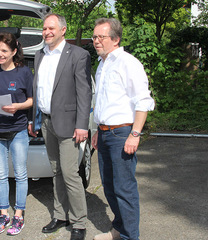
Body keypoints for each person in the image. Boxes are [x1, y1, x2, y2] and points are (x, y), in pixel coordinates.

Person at [28, 13, 92, 240]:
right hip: (46, 122)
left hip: (69, 125)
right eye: (44, 28)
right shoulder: (39, 55)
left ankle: (79, 223)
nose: (47, 32)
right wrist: (33, 119)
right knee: (55, 172)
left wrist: (82, 125)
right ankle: (60, 215)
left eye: (51, 28)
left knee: (70, 174)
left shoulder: (78, 55)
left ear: (63, 30)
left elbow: (84, 93)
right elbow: (39, 91)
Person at [91, 18, 155, 240]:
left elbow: (143, 101)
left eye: (101, 37)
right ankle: (118, 229)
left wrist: (134, 134)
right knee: (109, 187)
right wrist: (99, 130)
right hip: (105, 132)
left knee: (124, 190)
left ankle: (130, 237)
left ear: (116, 39)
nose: (96, 41)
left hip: (122, 134)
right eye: (94, 37)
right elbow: (104, 102)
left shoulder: (128, 63)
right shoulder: (102, 64)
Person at [0, 32, 33, 236]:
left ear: (14, 52)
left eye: (4, 51)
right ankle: (4, 214)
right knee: (1, 175)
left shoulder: (24, 72)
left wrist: (18, 106)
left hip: (18, 130)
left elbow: (31, 100)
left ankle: (19, 215)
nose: (0, 54)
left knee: (20, 175)